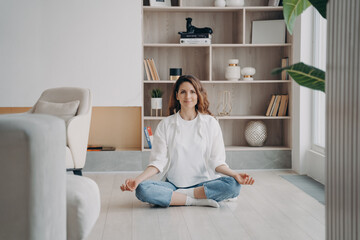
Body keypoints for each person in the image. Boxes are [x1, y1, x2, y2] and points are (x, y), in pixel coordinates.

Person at [120, 75, 254, 208]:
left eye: (192, 92)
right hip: (173, 185)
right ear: (177, 95)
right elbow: (158, 162)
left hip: (204, 185)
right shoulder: (165, 124)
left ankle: (180, 196)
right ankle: (196, 201)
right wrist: (137, 180)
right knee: (143, 189)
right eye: (183, 92)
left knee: (234, 186)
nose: (187, 96)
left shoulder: (211, 123)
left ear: (198, 95)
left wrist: (235, 174)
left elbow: (217, 162)